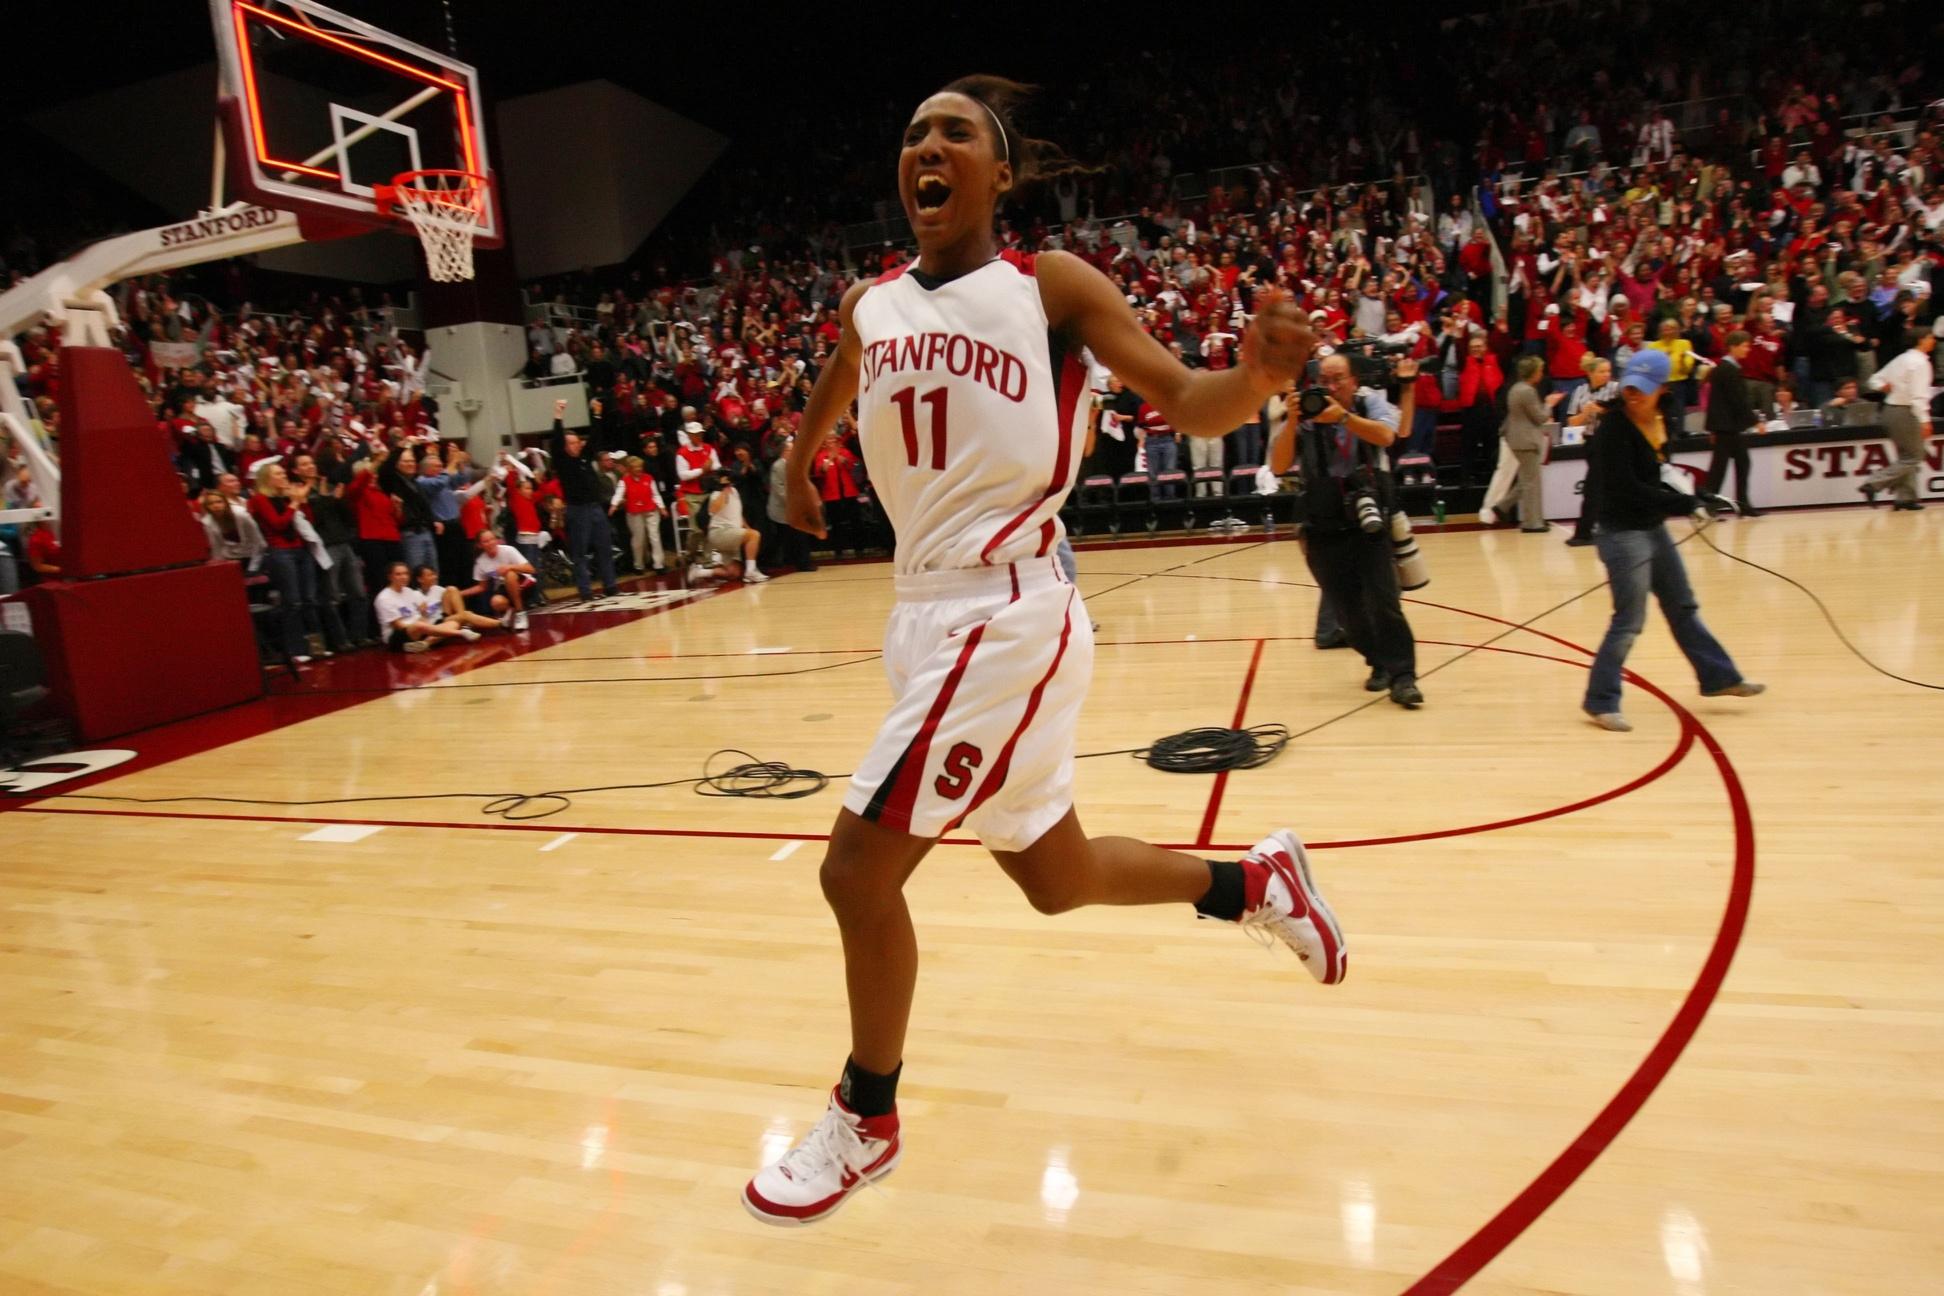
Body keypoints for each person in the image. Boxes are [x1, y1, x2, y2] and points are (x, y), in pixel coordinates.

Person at [745, 76, 1343, 1229]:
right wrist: (795, 468)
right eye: (914, 132)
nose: (929, 147)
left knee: (854, 873)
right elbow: (837, 382)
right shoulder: (871, 307)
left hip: (1009, 611)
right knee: (1054, 879)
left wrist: (1260, 379)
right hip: (923, 614)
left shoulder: (1047, 287)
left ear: (999, 173)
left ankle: (867, 1116)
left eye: (955, 133)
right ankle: (1253, 882)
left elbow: (1187, 398)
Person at [1580, 350, 1764, 732]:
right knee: (1629, 621)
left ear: (1663, 389)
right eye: (1630, 386)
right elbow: (1629, 490)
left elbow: (1660, 471)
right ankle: (1601, 700)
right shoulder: (1614, 429)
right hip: (1621, 533)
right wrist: (1685, 502)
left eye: (1644, 389)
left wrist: (1698, 494)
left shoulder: (1661, 420)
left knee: (1682, 604)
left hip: (1652, 527)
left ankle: (1718, 678)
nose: (1634, 394)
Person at [1269, 352, 1423, 707]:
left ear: (1354, 380)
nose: (1331, 386)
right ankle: (1379, 661)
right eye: (1324, 379)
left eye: (1338, 379)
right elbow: (1278, 466)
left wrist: (1344, 417)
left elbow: (1387, 436)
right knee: (1346, 612)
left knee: (1384, 602)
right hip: (1322, 522)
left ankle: (1403, 677)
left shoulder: (1370, 403)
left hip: (1367, 519)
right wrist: (1292, 422)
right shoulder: (1303, 410)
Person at [549, 397, 621, 601]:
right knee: (580, 553)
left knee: (605, 547)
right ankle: (585, 591)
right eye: (571, 443)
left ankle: (610, 585)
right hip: (577, 510)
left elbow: (595, 439)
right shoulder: (562, 461)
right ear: (565, 446)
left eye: (577, 442)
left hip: (595, 507)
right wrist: (558, 416)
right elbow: (556, 440)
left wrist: (597, 415)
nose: (576, 445)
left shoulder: (584, 457)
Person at [1859, 327, 1936, 512]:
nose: (1933, 340)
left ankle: (1905, 498)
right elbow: (1919, 396)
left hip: (1889, 411)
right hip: (1906, 412)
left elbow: (1873, 380)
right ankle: (1872, 483)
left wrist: (1882, 386)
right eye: (1930, 337)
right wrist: (1925, 420)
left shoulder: (1901, 359)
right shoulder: (1920, 364)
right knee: (1915, 456)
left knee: (1906, 455)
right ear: (1921, 340)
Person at [1483, 355, 1560, 532]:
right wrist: (1549, 404)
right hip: (1526, 440)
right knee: (1532, 482)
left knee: (1528, 479)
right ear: (1533, 372)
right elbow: (1540, 417)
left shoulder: (1516, 388)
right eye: (1540, 370)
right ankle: (1531, 522)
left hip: (1517, 439)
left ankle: (1503, 507)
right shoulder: (1527, 391)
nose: (1542, 374)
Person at [1701, 331, 1763, 517]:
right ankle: (1708, 507)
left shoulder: (1727, 368)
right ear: (1733, 346)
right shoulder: (1727, 369)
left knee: (1741, 463)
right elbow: (1737, 400)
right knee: (1719, 469)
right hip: (1726, 427)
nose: (1748, 349)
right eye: (1744, 345)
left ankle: (1741, 504)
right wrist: (1755, 421)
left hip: (1728, 426)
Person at [370, 561, 477, 653]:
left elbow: (422, 614)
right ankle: (461, 633)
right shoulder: (384, 598)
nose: (404, 577)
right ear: (390, 577)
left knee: (453, 623)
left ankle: (424, 643)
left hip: (421, 628)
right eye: (398, 574)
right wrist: (426, 628)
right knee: (419, 626)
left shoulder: (409, 591)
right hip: (398, 636)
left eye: (406, 574)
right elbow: (398, 626)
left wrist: (426, 622)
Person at [690, 471, 767, 584]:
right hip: (720, 533)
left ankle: (699, 572)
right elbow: (712, 510)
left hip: (731, 533)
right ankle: (751, 572)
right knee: (754, 535)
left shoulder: (735, 492)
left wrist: (747, 528)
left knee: (733, 573)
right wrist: (723, 491)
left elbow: (738, 514)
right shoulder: (716, 494)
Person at [460, 528, 535, 629]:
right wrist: (460, 593)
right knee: (495, 602)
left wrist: (510, 567)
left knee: (510, 575)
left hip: (525, 585)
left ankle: (520, 613)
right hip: (505, 588)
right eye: (486, 541)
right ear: (480, 545)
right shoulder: (480, 561)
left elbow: (531, 569)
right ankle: (511, 611)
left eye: (492, 539)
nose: (490, 543)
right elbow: (482, 587)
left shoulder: (508, 550)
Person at [609, 454, 667, 573]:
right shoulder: (624, 481)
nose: (639, 469)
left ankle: (659, 564)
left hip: (651, 510)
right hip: (635, 513)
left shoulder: (649, 478)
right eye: (636, 467)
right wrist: (614, 505)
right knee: (638, 539)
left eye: (640, 467)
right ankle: (639, 565)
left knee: (654, 536)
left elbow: (655, 494)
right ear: (630, 469)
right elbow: (618, 494)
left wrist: (662, 508)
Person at [412, 564, 505, 635]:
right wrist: (422, 613)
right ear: (420, 579)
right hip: (434, 624)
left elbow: (454, 595)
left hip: (444, 617)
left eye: (434, 574)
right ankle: (502, 624)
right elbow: (416, 620)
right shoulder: (415, 595)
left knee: (452, 589)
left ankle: (463, 621)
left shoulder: (437, 589)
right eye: (430, 575)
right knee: (467, 615)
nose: (434, 577)